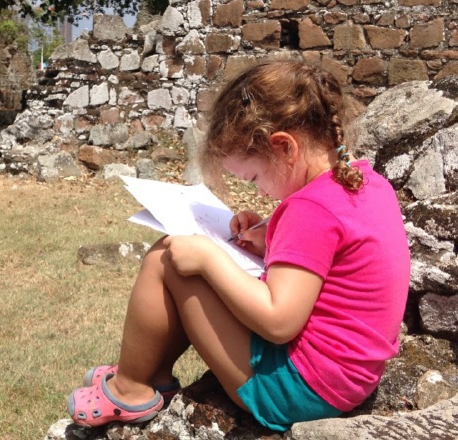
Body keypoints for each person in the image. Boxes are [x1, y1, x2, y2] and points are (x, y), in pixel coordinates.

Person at [66, 59, 411, 431]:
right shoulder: (362, 181)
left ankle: (129, 388)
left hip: (298, 391)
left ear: (284, 147)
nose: (260, 191)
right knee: (182, 257)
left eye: (254, 177)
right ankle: (153, 375)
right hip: (346, 379)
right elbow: (332, 258)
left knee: (167, 256)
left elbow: (279, 322)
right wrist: (272, 240)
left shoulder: (309, 209)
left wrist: (211, 259)